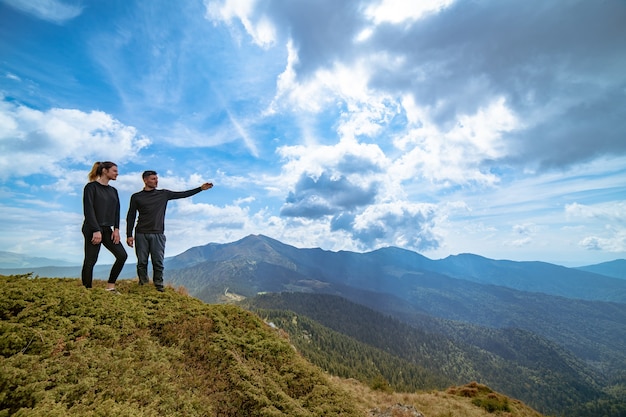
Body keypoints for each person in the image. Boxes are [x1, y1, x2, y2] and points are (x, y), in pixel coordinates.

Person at [126, 170, 213, 292]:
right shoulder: (136, 197)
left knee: (158, 261)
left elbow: (183, 194)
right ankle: (143, 285)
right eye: (153, 179)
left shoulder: (163, 194)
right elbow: (131, 216)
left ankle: (159, 286)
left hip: (158, 233)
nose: (156, 181)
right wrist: (129, 235)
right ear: (145, 180)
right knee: (142, 261)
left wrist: (200, 189)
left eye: (156, 178)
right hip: (141, 233)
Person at [81, 161, 128, 292]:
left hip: (108, 229)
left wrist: (117, 230)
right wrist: (96, 230)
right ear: (104, 171)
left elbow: (117, 211)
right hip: (92, 228)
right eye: (114, 170)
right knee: (91, 260)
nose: (117, 173)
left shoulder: (113, 191)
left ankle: (110, 287)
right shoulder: (91, 187)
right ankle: (87, 291)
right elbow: (88, 210)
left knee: (122, 255)